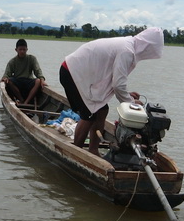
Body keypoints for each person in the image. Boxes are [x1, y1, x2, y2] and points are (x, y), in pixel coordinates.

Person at [59, 27, 164, 155]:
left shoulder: (128, 45)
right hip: (72, 73)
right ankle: (76, 152)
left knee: (102, 110)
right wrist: (131, 103)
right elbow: (118, 84)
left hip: (81, 75)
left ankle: (93, 150)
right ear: (147, 46)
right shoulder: (127, 50)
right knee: (89, 115)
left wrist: (127, 95)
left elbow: (114, 78)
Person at [1, 39, 46, 105]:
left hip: (28, 81)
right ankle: (21, 99)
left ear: (27, 49)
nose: (22, 51)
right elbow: (7, 73)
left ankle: (26, 102)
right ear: (16, 50)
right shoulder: (12, 61)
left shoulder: (32, 59)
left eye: (24, 49)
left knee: (38, 81)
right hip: (18, 81)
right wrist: (5, 78)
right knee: (9, 81)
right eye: (20, 49)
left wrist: (42, 79)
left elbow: (37, 70)